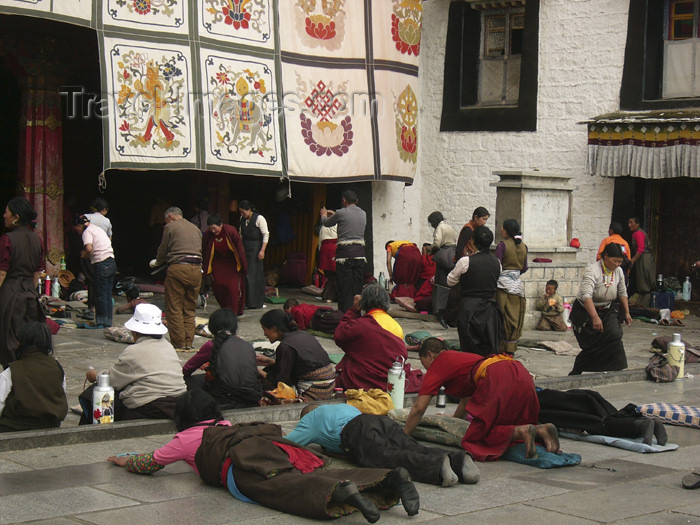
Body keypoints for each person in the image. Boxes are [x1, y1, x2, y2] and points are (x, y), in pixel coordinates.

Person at [108, 390, 419, 523]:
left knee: (282, 489)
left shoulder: (185, 438)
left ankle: (341, 491)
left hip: (240, 464)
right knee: (300, 476)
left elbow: (150, 463)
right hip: (270, 447)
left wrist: (124, 460)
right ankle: (386, 477)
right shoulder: (225, 424)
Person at [404, 338, 559, 461]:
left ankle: (522, 431)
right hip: (519, 371)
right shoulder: (462, 358)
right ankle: (541, 430)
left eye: (425, 364)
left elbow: (419, 408)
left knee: (478, 437)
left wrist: (403, 435)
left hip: (497, 376)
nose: (427, 370)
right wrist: (455, 419)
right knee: (506, 422)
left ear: (430, 355)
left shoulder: (439, 363)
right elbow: (467, 397)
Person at [286, 403, 480, 487]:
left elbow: (287, 443)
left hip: (356, 431)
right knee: (413, 446)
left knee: (388, 456)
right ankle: (458, 460)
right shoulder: (340, 406)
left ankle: (438, 467)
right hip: (378, 420)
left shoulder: (308, 420)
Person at [81, 304, 186, 421]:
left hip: (151, 404)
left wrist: (95, 376)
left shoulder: (134, 351)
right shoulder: (168, 346)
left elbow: (113, 380)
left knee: (100, 392)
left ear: (135, 331)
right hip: (177, 400)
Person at [569, 243, 632, 375]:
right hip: (585, 311)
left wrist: (626, 312)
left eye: (619, 262)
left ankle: (614, 368)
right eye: (614, 261)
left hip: (607, 308)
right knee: (593, 343)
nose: (617, 265)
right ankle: (578, 368)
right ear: (605, 256)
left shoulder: (619, 271)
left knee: (614, 334)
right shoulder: (593, 271)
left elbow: (622, 292)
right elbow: (586, 296)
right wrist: (595, 317)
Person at [183, 308, 261, 409]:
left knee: (188, 381)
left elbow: (187, 369)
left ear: (211, 328)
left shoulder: (211, 345)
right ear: (234, 327)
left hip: (225, 398)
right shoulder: (247, 345)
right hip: (250, 396)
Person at [334, 284, 406, 390]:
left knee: (349, 358)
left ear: (364, 304)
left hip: (364, 379)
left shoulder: (362, 324)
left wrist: (354, 309)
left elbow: (339, 335)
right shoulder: (396, 326)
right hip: (390, 379)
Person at [0, 197, 45, 368]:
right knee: (27, 339)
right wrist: (31, 291)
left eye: (7, 212)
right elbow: (37, 272)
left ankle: (12, 379)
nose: (4, 215)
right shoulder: (36, 239)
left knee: (8, 341)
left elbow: (2, 273)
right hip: (29, 294)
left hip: (10, 293)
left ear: (16, 217)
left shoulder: (7, 239)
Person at [447, 226, 504, 356]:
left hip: (469, 309)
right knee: (488, 348)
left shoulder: (465, 261)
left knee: (469, 348)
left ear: (473, 241)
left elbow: (450, 281)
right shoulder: (497, 263)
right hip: (490, 309)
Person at [151, 206, 203, 351]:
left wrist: (157, 262)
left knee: (174, 307)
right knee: (190, 308)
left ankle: (179, 343)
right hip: (197, 269)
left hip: (179, 267)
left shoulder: (170, 227)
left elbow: (163, 249)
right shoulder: (195, 228)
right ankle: (188, 342)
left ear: (170, 217)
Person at [0, 322, 67, 432]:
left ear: (21, 343)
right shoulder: (57, 368)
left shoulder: (12, 371)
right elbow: (61, 396)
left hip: (13, 429)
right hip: (51, 426)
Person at [257, 309, 335, 400]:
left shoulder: (285, 346)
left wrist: (258, 371)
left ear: (274, 329)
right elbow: (300, 364)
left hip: (315, 390)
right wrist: (270, 361)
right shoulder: (304, 334)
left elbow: (280, 381)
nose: (264, 334)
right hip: (330, 385)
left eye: (265, 330)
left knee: (263, 386)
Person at [320, 190, 367, 312]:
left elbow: (326, 223)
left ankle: (345, 314)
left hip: (344, 256)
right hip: (360, 256)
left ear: (344, 201)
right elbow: (349, 218)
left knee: (344, 287)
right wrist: (335, 214)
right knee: (357, 287)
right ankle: (356, 313)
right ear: (356, 201)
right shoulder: (363, 213)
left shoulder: (341, 213)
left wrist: (324, 214)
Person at [74, 215, 116, 328]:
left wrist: (85, 255)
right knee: (107, 294)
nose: (76, 230)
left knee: (101, 294)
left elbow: (89, 248)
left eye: (76, 227)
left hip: (101, 263)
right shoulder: (97, 229)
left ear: (80, 225)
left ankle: (101, 322)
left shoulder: (87, 232)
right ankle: (108, 321)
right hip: (111, 262)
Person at [202, 213, 248, 316]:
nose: (213, 231)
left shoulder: (230, 231)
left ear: (221, 225)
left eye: (214, 228)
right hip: (218, 262)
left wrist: (243, 265)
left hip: (231, 262)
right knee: (218, 285)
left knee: (232, 288)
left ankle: (234, 311)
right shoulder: (208, 235)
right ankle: (224, 308)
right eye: (210, 229)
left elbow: (239, 249)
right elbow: (206, 251)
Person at [495, 219, 528, 354]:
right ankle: (510, 348)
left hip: (503, 287)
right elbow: (524, 267)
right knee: (514, 316)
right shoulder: (524, 246)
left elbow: (497, 266)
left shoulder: (502, 246)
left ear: (506, 231)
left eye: (502, 229)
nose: (501, 231)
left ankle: (501, 347)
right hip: (517, 287)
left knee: (502, 315)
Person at [238, 200, 268, 309]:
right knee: (245, 274)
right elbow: (241, 234)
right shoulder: (242, 219)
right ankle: (246, 301)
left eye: (243, 212)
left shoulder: (259, 218)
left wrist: (262, 250)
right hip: (245, 247)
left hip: (255, 248)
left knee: (254, 275)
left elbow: (265, 234)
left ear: (249, 210)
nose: (242, 214)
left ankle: (256, 302)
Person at [628, 216, 656, 307]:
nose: (630, 225)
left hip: (644, 259)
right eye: (629, 223)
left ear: (638, 224)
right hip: (642, 258)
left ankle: (645, 305)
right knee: (642, 279)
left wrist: (632, 260)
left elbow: (640, 249)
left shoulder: (638, 233)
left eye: (632, 223)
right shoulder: (636, 233)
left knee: (645, 280)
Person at [318, 222, 338, 302]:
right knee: (336, 274)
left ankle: (328, 296)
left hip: (324, 249)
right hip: (335, 248)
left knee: (329, 275)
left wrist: (321, 250)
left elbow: (320, 241)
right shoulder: (337, 225)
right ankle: (332, 296)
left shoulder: (323, 226)